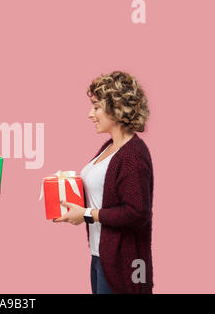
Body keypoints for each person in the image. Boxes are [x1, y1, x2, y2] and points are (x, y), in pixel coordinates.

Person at [54, 71, 153, 294]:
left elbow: (138, 213)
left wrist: (87, 214)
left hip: (124, 263)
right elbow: (101, 192)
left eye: (97, 107)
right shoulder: (110, 147)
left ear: (117, 108)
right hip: (100, 256)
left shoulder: (133, 155)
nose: (91, 114)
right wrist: (65, 183)